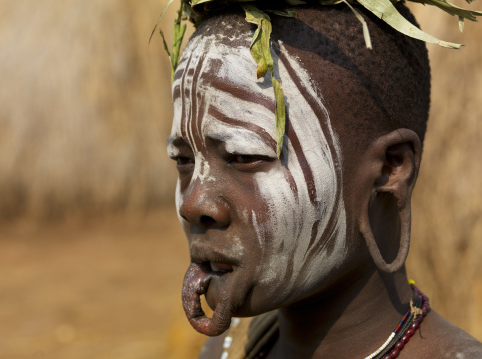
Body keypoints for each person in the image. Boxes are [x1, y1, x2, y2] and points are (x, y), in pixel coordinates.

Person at [165, 2, 482, 358]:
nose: (193, 203)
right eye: (184, 160)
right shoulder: (227, 349)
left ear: (390, 169)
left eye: (244, 156)